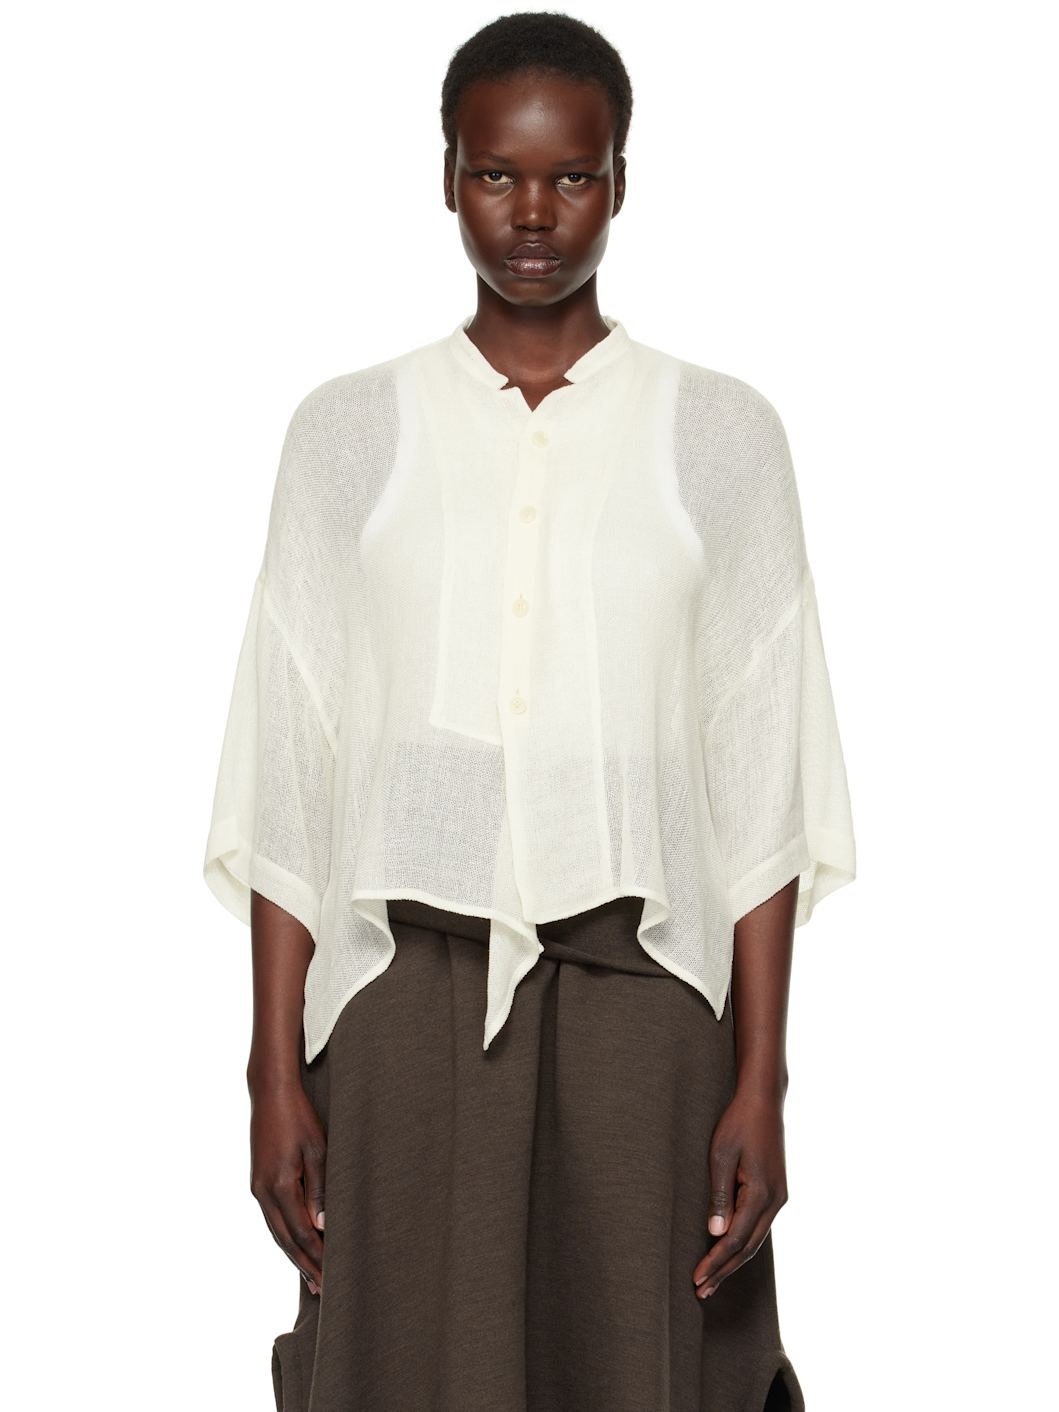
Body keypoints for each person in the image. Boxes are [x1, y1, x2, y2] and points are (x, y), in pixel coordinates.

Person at [202, 13, 856, 1412]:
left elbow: (763, 783)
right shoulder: (347, 433)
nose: (535, 214)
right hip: (402, 1002)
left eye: (572, 176)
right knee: (399, 1367)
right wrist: (271, 1072)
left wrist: (763, 1081)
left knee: (644, 1362)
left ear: (621, 183)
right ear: (449, 177)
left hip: (643, 1001)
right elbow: (291, 767)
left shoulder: (722, 435)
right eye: (499, 174)